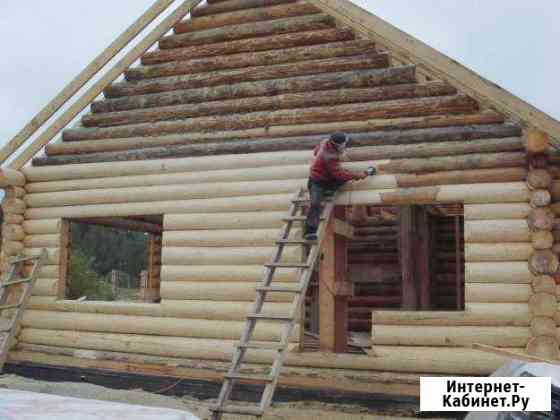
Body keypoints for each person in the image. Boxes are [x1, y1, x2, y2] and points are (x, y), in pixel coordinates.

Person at [303, 132, 371, 241]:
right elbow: (339, 175)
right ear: (337, 144)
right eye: (344, 144)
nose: (345, 145)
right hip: (317, 181)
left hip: (325, 176)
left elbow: (315, 152)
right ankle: (310, 232)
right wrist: (357, 175)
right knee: (315, 205)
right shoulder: (330, 156)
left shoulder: (325, 141)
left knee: (344, 175)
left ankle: (329, 190)